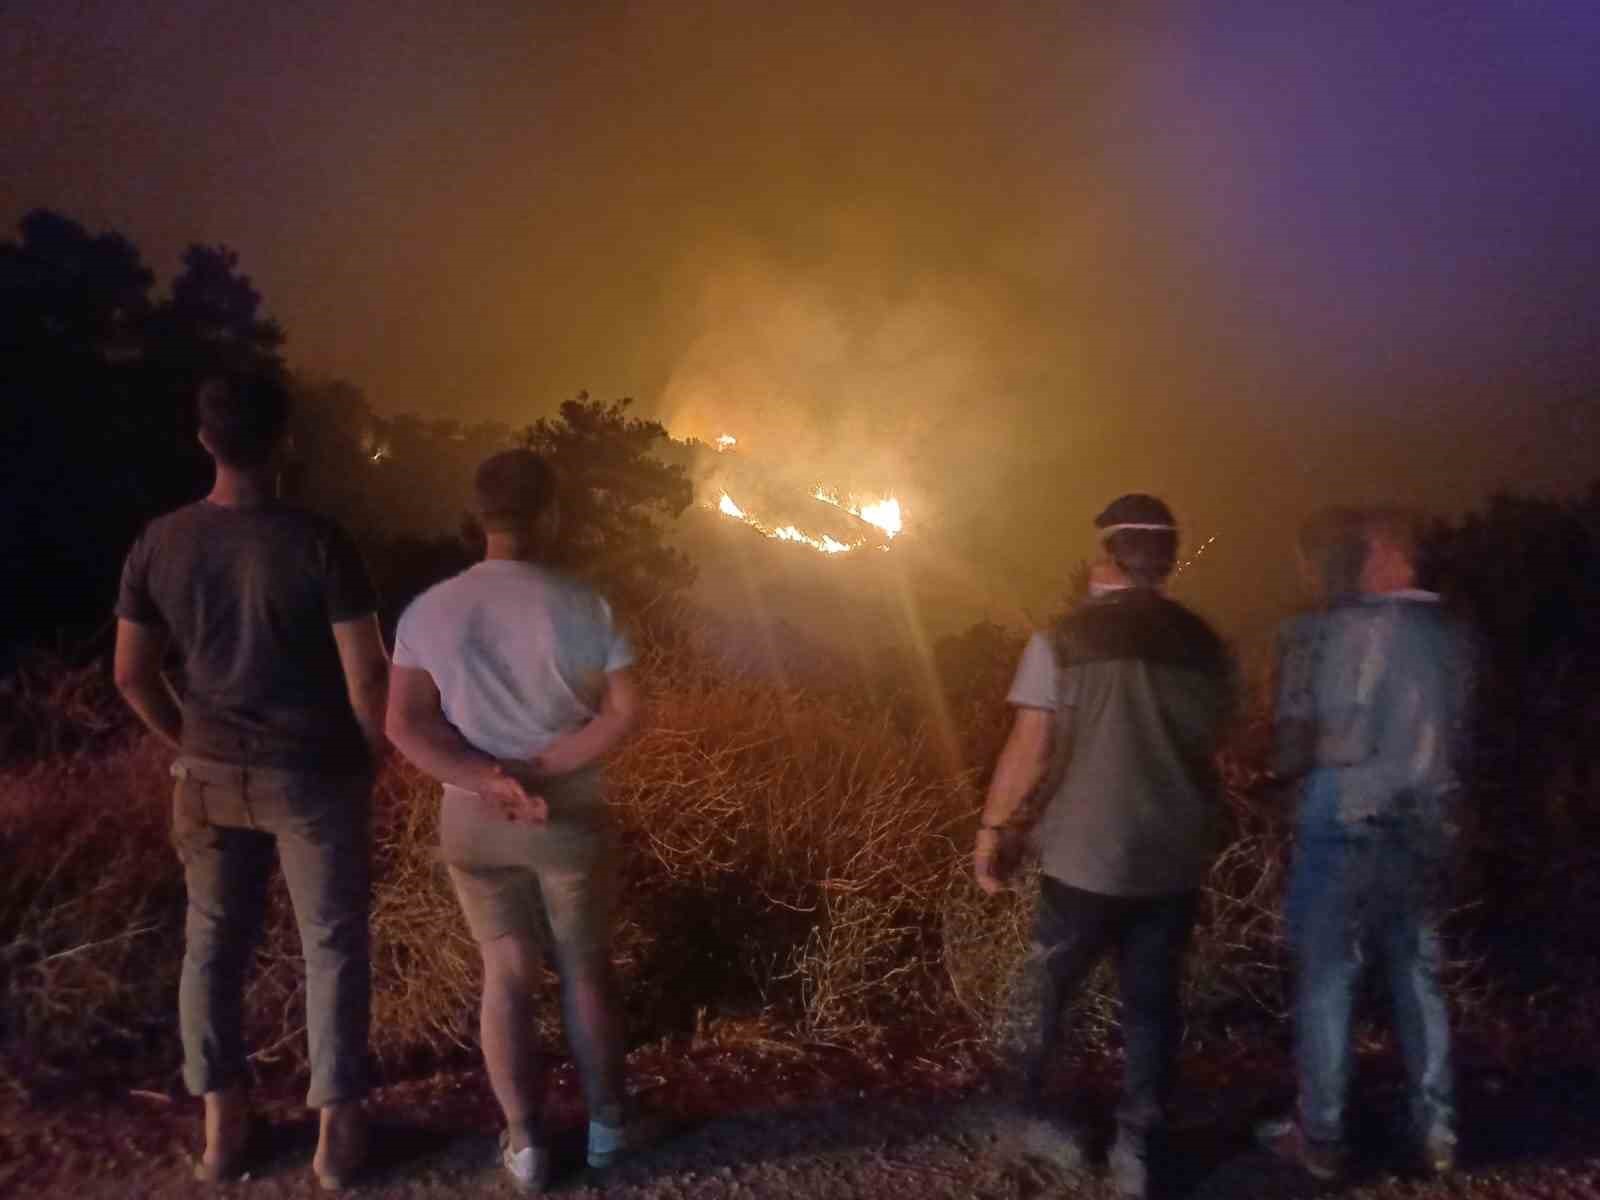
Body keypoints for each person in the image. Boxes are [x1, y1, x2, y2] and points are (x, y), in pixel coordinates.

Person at [114, 375, 388, 1189]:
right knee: (332, 947)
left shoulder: (158, 542)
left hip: (206, 776)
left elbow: (131, 675)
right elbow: (367, 673)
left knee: (212, 947)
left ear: (205, 439)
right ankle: (336, 1137)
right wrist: (369, 756)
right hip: (309, 776)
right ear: (286, 441)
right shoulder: (320, 542)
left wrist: (185, 739)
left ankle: (222, 1130)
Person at [385, 448, 643, 1195]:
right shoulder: (586, 604)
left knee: (506, 973)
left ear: (479, 517)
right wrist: (551, 769)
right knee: (585, 968)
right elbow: (627, 710)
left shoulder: (430, 609)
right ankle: (606, 1130)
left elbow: (404, 724)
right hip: (568, 819)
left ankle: (526, 1145)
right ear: (551, 515)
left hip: (473, 820)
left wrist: (485, 777)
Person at [976, 494, 1236, 1200]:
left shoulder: (1062, 639)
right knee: (1152, 1003)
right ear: (1168, 559)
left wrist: (994, 828)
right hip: (1171, 858)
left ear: (1109, 556)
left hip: (1081, 855)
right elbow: (1218, 746)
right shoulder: (1206, 645)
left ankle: (1028, 1122)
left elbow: (1030, 745)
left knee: (1048, 988)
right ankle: (1138, 1150)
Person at [1259, 507, 1474, 1180]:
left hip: (1344, 817)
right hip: (1425, 820)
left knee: (1328, 979)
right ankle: (1435, 1133)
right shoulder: (1450, 636)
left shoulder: (1328, 632)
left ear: (1384, 560)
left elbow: (1296, 742)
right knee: (1417, 976)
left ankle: (1322, 1134)